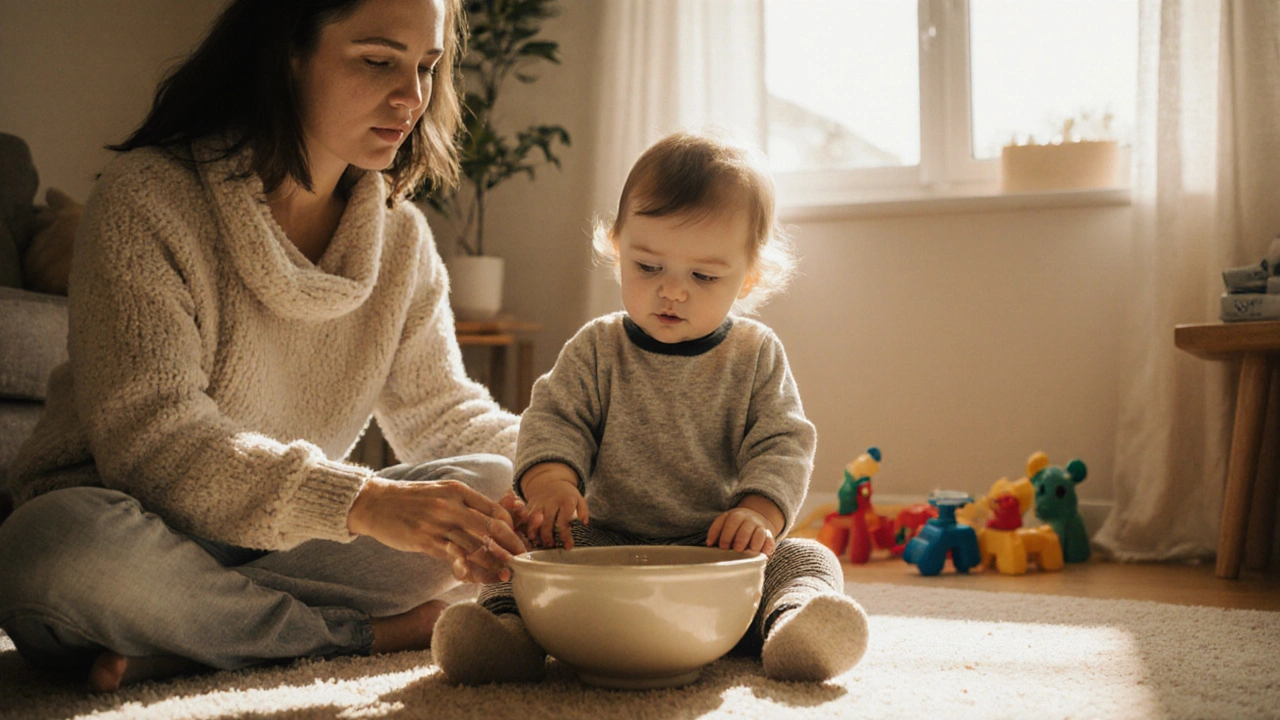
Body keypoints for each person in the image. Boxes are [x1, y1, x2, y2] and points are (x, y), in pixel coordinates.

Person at [0, 0, 530, 693]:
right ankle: (355, 637)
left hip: (279, 544)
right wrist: (362, 502)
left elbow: (443, 413)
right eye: (378, 61)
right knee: (51, 547)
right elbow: (153, 440)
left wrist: (566, 466)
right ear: (288, 51)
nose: (412, 98)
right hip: (125, 521)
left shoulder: (401, 239)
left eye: (426, 67)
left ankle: (200, 639)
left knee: (490, 486)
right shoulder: (147, 199)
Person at [431, 130, 870, 685]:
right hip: (604, 548)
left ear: (749, 277)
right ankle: (506, 636)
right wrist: (551, 486)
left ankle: (793, 627)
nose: (672, 292)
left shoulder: (756, 355)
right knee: (522, 552)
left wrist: (758, 513)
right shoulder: (597, 347)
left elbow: (782, 443)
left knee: (807, 559)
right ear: (618, 250)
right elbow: (555, 420)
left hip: (715, 554)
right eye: (648, 267)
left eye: (704, 276)